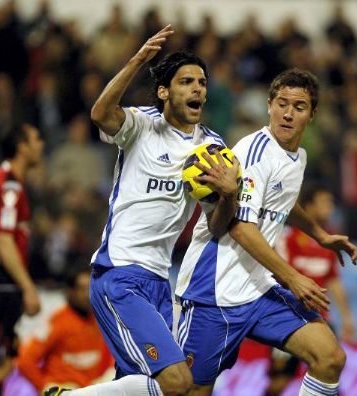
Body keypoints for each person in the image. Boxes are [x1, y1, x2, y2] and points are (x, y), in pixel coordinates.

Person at [45, 25, 240, 396]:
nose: (198, 88)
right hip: (119, 274)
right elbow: (100, 112)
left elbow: (217, 227)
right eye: (186, 81)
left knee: (147, 389)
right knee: (177, 382)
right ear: (164, 92)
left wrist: (229, 196)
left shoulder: (212, 151)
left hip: (159, 282)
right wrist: (137, 60)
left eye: (201, 81)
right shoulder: (141, 124)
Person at [175, 69, 357, 396]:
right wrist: (293, 278)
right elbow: (242, 228)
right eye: (281, 104)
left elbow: (283, 201)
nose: (288, 113)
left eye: (299, 107)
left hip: (258, 291)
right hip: (213, 293)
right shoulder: (254, 153)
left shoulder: (296, 157)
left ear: (312, 115)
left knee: (330, 358)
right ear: (269, 105)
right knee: (190, 391)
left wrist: (320, 235)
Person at [0, 123, 44, 396]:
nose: (41, 144)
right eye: (36, 138)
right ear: (21, 147)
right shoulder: (10, 187)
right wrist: (27, 287)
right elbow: (3, 240)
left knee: (5, 360)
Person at [267, 184, 355, 396]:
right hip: (288, 318)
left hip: (320, 319)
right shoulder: (287, 237)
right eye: (324, 202)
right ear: (308, 206)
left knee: (329, 377)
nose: (330, 207)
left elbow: (333, 281)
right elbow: (277, 275)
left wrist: (347, 318)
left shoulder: (330, 241)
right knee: (279, 383)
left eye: (331, 203)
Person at [18, 267, 114, 392]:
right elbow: (25, 360)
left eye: (90, 288)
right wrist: (45, 388)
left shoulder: (100, 320)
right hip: (64, 388)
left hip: (90, 388)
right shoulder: (56, 323)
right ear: (70, 291)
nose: (87, 295)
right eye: (82, 289)